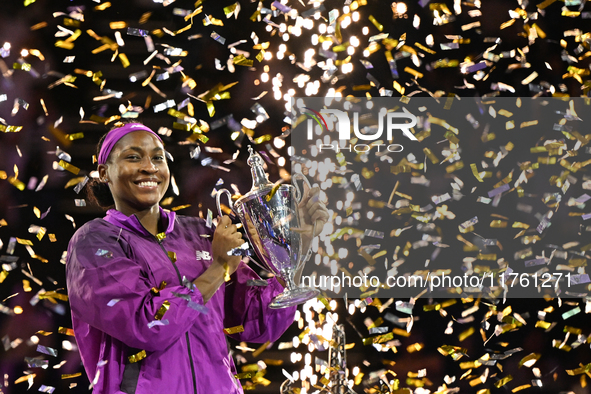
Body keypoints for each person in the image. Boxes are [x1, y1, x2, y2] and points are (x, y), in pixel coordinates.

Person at [65, 122, 329, 394]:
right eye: (133, 157)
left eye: (158, 157)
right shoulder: (94, 241)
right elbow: (148, 324)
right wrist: (218, 268)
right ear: (104, 172)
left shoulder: (199, 233)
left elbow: (260, 321)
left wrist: (297, 248)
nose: (149, 167)